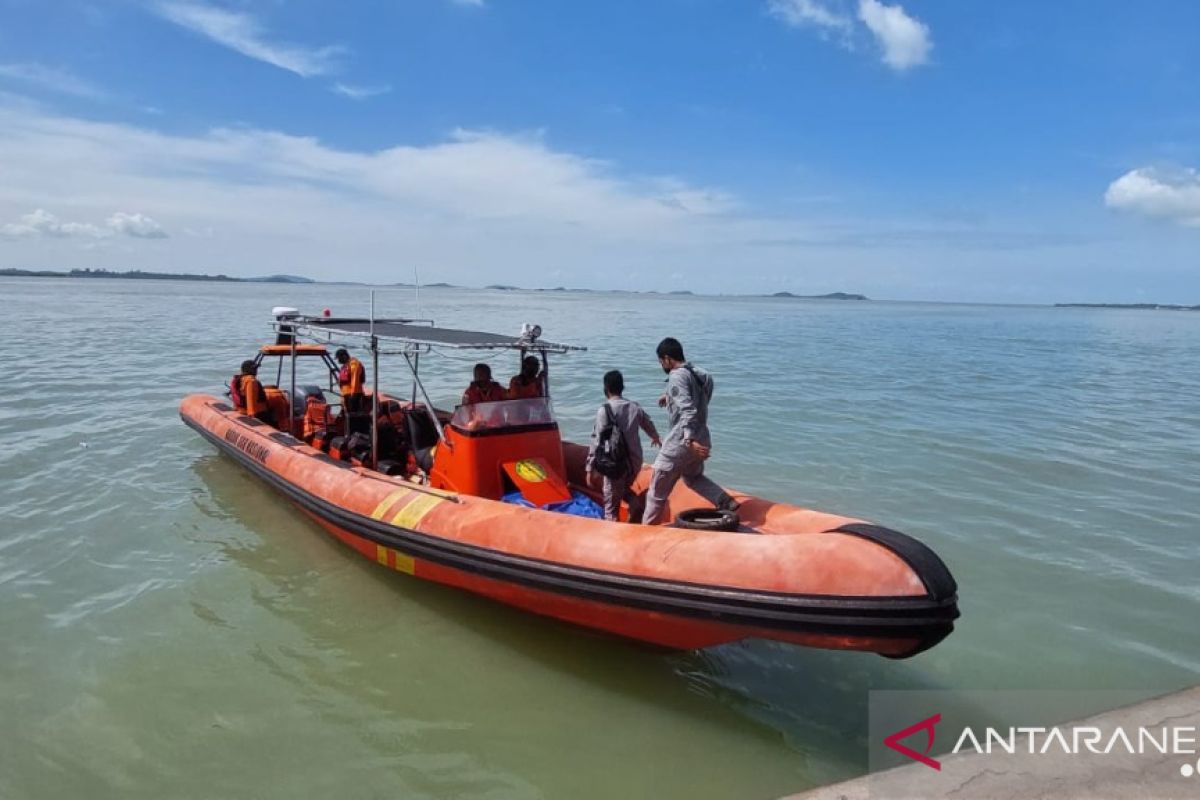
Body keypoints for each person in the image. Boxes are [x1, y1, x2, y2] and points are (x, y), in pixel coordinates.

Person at [641, 337, 739, 525]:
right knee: (693, 477)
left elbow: (688, 410)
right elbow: (700, 400)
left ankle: (647, 532)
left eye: (661, 361)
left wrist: (689, 440)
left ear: (668, 359)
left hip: (683, 442)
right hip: (703, 437)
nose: (662, 365)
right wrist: (668, 395)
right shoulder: (701, 373)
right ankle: (724, 500)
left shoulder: (676, 376)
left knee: (656, 492)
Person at [585, 370, 661, 522]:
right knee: (624, 488)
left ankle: (612, 533)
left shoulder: (604, 410)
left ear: (606, 388)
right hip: (634, 462)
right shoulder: (634, 407)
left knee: (611, 506)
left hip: (615, 464)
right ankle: (635, 505)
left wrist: (589, 468)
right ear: (622, 387)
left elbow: (596, 440)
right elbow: (648, 424)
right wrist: (655, 437)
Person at [237, 360, 273, 425]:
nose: (256, 370)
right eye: (254, 369)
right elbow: (251, 400)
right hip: (260, 414)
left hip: (244, 411)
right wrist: (253, 417)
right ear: (248, 370)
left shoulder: (241, 379)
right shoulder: (252, 382)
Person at [335, 348, 366, 414]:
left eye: (339, 359)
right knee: (348, 413)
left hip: (353, 394)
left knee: (353, 414)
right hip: (347, 393)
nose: (338, 361)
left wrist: (353, 395)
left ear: (344, 356)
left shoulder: (353, 365)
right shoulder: (346, 365)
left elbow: (355, 380)